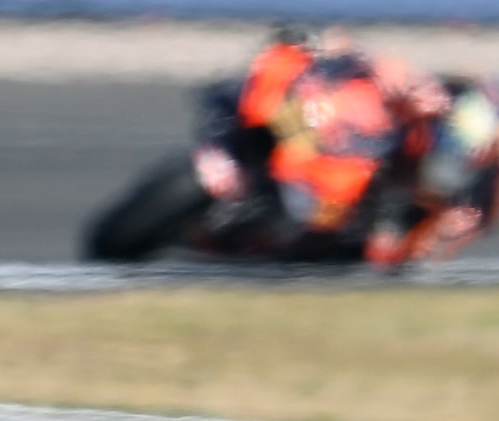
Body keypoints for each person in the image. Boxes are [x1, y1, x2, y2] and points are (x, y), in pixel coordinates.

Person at [193, 23, 457, 265]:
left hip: (328, 180)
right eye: (419, 90)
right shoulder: (366, 69)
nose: (420, 98)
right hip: (296, 128)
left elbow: (402, 181)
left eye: (428, 103)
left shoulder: (412, 136)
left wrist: (385, 225)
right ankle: (223, 151)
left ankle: (255, 242)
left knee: (329, 234)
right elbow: (332, 44)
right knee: (243, 97)